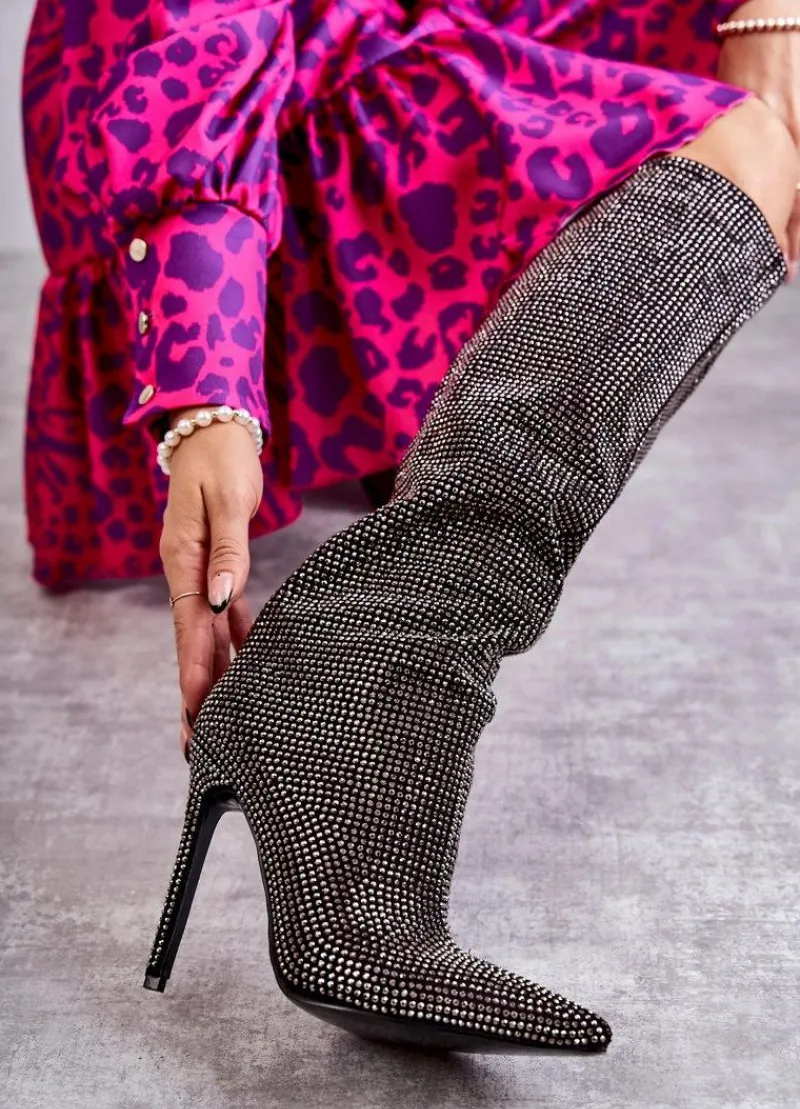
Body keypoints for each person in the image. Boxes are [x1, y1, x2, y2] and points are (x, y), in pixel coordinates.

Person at [24, 1, 799, 1052]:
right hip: (224, 133)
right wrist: (206, 397)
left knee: (756, 140)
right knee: (741, 141)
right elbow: (182, 40)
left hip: (441, 81)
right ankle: (364, 672)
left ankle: (359, 666)